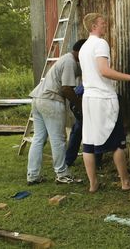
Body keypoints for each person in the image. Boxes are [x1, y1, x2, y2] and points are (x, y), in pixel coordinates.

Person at [79, 13, 130, 193]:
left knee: (89, 143)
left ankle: (93, 184)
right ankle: (125, 182)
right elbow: (104, 71)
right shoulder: (100, 43)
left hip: (89, 98)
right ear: (93, 26)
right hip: (103, 98)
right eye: (102, 22)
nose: (105, 24)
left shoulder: (84, 47)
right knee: (117, 142)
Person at [27, 39, 86, 185]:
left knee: (38, 139)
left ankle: (33, 175)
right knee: (58, 139)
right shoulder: (70, 62)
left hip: (38, 99)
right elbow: (66, 88)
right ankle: (62, 174)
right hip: (51, 101)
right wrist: (79, 105)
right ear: (81, 51)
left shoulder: (67, 59)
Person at [64, 84, 102, 168]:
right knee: (84, 131)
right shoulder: (86, 86)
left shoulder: (86, 85)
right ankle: (95, 161)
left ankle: (69, 160)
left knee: (80, 131)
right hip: (82, 102)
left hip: (84, 102)